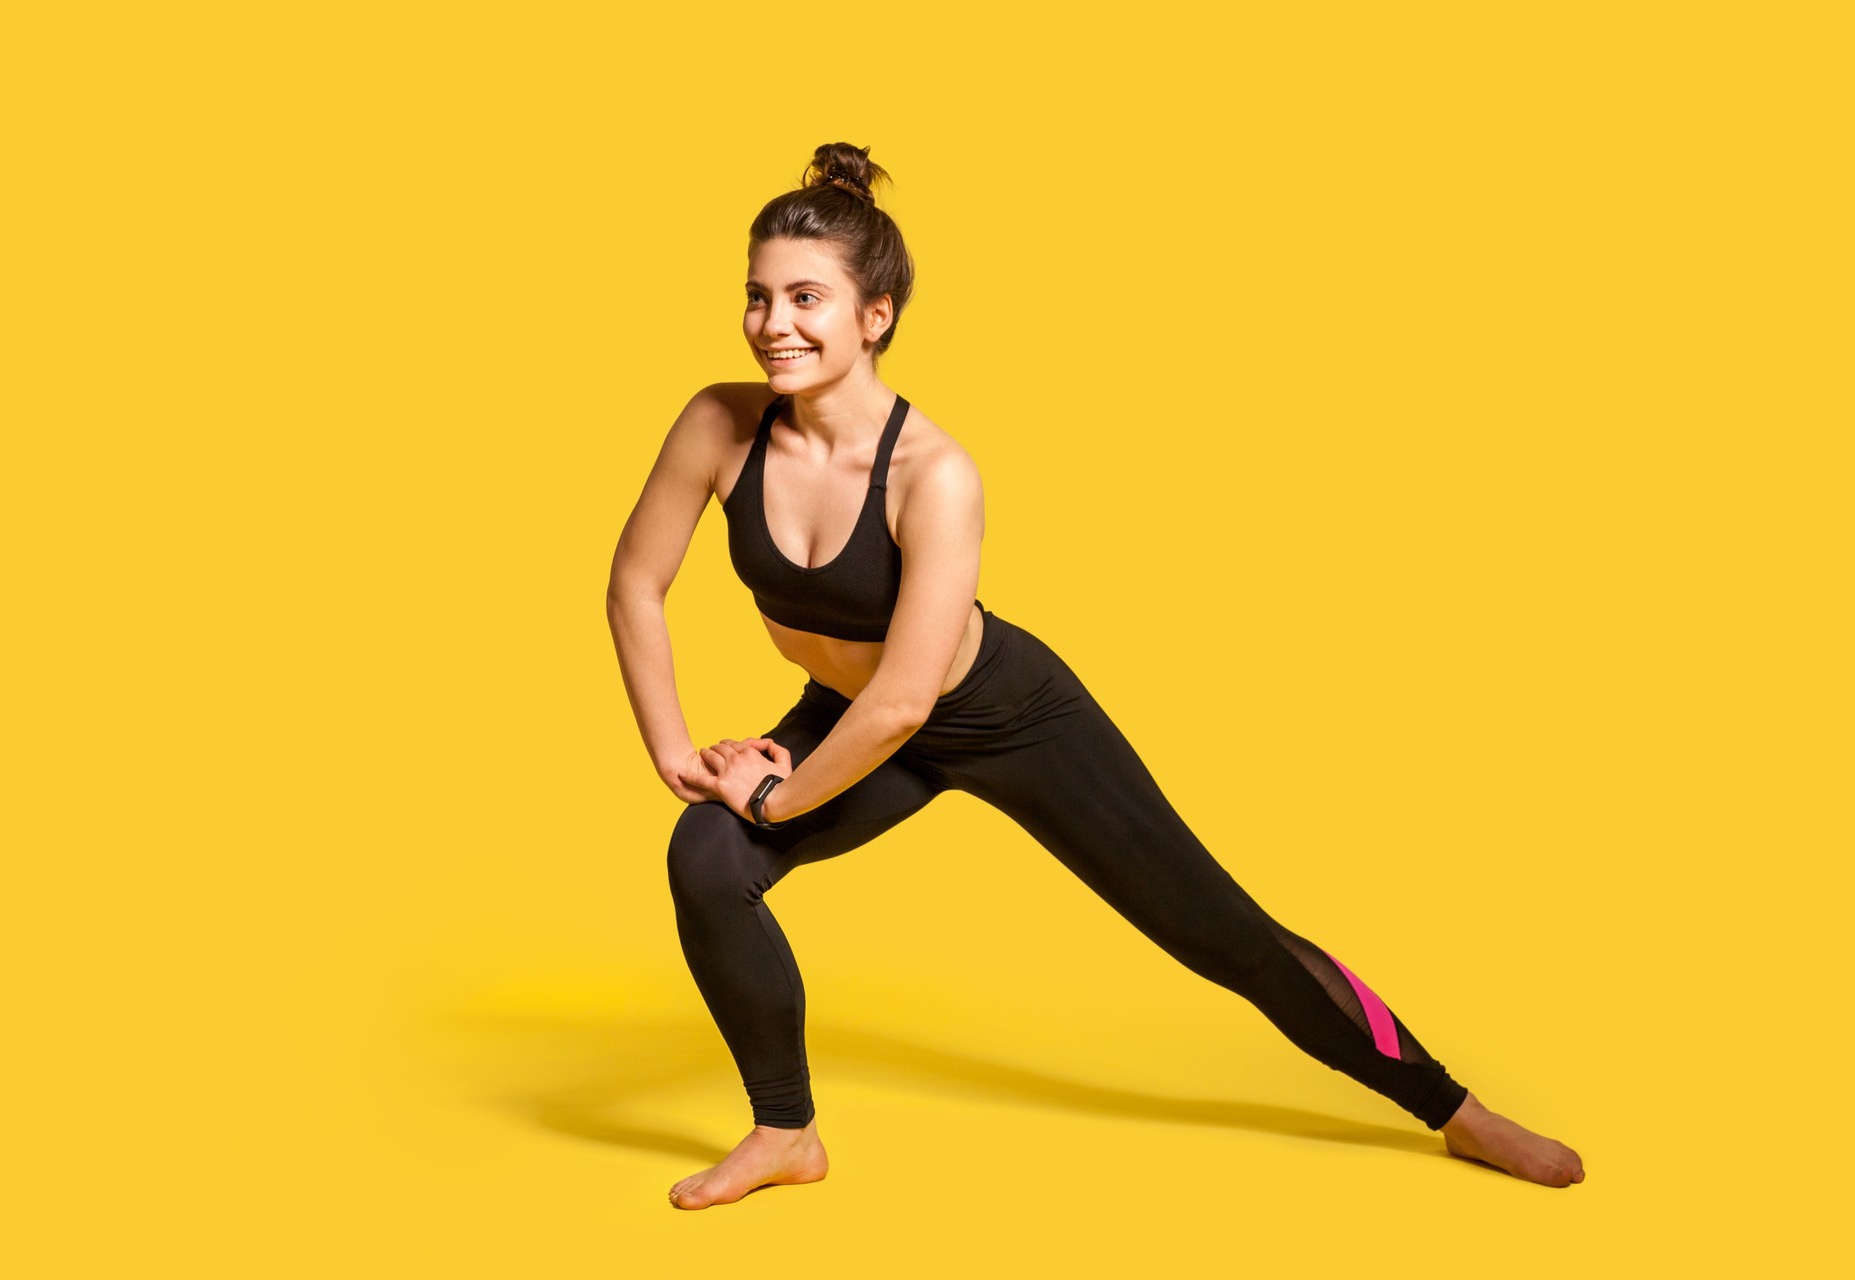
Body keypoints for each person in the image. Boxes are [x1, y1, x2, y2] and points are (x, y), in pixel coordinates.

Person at [606, 142, 1585, 1211]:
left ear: (874, 315)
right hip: (850, 711)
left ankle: (1454, 1107)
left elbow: (906, 698)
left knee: (1224, 933)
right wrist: (675, 755)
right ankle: (786, 1130)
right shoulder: (718, 423)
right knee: (707, 855)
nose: (772, 324)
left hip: (997, 713)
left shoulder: (935, 472)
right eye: (756, 296)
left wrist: (778, 791)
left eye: (805, 297)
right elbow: (636, 584)